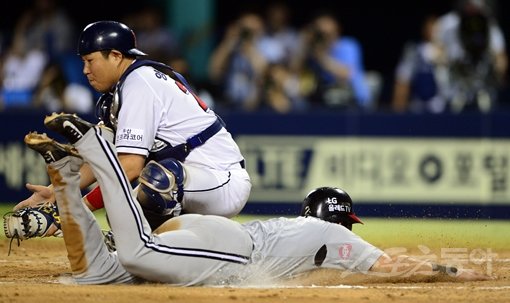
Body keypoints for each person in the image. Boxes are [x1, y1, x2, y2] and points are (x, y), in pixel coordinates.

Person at [4, 115, 489, 285]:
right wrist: (455, 273)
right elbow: (393, 268)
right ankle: (97, 153)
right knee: (136, 253)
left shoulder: (297, 232)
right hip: (227, 249)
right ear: (341, 219)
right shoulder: (334, 238)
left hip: (203, 240)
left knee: (98, 273)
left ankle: (66, 182)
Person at [13, 21, 251, 235]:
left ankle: (165, 245)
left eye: (90, 60)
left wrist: (79, 207)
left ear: (116, 56)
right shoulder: (125, 88)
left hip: (221, 179)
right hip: (191, 180)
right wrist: (58, 193)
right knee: (122, 215)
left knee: (158, 180)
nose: (85, 70)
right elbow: (104, 158)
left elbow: (129, 168)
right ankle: (173, 249)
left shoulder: (139, 83)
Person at [290, 12, 374, 110]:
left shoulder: (347, 45)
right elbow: (293, 71)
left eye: (328, 33)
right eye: (320, 33)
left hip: (353, 104)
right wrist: (303, 44)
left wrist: (320, 56)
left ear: (337, 31)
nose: (325, 37)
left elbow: (346, 74)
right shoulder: (311, 50)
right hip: (320, 104)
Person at [434, 0, 508, 113]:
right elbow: (436, 51)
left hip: (481, 80)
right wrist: (445, 60)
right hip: (455, 81)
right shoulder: (447, 23)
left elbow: (500, 57)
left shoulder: (489, 24)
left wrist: (498, 70)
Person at [391, 15, 449, 114]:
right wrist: (398, 109)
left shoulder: (449, 52)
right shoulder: (415, 50)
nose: (434, 32)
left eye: (437, 29)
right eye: (430, 28)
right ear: (424, 30)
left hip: (443, 105)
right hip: (418, 105)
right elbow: (403, 79)